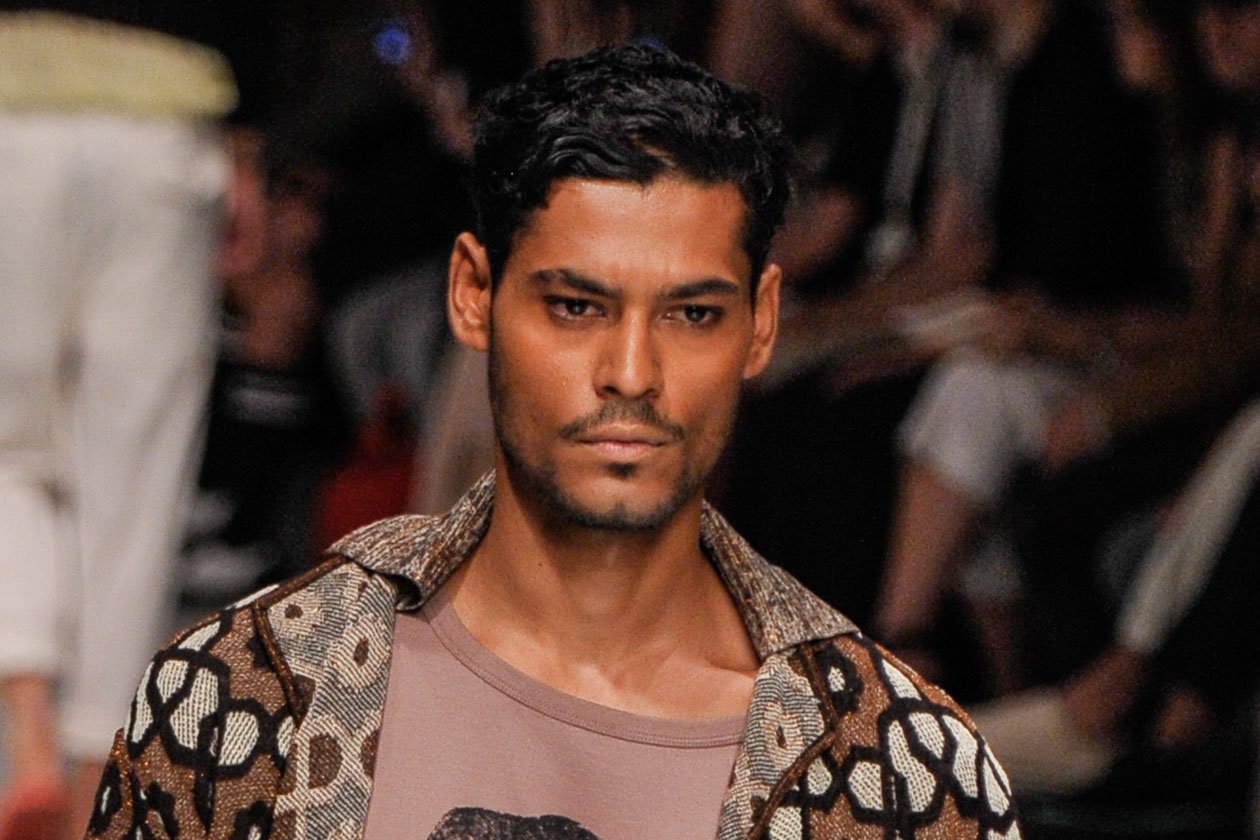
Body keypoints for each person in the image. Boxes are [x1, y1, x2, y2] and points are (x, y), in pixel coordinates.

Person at [82, 45, 1020, 840]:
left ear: (761, 324)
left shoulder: (900, 774)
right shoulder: (246, 698)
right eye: (576, 306)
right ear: (473, 295)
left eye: (693, 314)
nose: (631, 371)